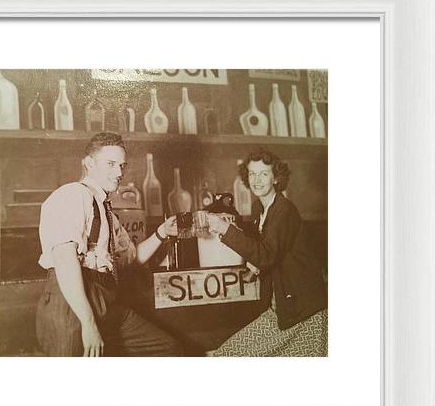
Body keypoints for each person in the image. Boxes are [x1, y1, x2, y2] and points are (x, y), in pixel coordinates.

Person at [36, 132, 182, 357]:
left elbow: (130, 259)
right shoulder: (72, 195)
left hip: (104, 299)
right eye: (111, 164)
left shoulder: (106, 211)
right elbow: (65, 259)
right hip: (71, 303)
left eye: (122, 166)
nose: (119, 173)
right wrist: (88, 322)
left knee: (168, 348)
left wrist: (162, 233)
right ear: (88, 164)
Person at [206, 148, 328, 356]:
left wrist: (224, 229)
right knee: (226, 354)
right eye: (252, 174)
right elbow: (269, 252)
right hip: (283, 309)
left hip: (306, 312)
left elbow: (266, 254)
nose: (257, 180)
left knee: (225, 355)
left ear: (275, 178)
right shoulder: (259, 209)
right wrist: (253, 268)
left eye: (264, 173)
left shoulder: (284, 209)